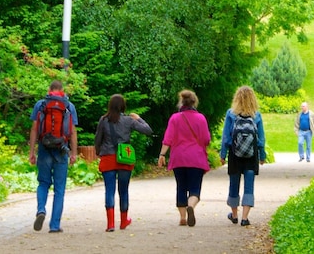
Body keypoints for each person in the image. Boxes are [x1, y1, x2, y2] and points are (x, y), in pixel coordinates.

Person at [94, 94, 153, 232]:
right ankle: (124, 221)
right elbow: (148, 130)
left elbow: (98, 139)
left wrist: (98, 152)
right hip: (124, 158)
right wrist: (138, 118)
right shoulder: (128, 120)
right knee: (123, 190)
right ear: (123, 106)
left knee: (109, 190)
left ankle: (110, 224)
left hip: (108, 158)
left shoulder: (103, 120)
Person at [28, 80, 78, 233]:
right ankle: (54, 225)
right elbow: (73, 132)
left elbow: (35, 129)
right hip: (61, 150)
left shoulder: (41, 105)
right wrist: (73, 153)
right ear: (62, 90)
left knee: (43, 183)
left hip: (44, 149)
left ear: (49, 89)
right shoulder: (69, 106)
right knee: (59, 189)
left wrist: (32, 151)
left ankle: (41, 209)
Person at [157, 89, 211, 227]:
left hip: (179, 158)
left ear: (182, 102)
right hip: (196, 159)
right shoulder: (201, 118)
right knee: (194, 188)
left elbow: (168, 138)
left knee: (181, 186)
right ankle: (191, 206)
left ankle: (182, 218)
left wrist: (162, 154)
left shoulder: (175, 118)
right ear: (194, 102)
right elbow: (206, 139)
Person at [219, 86, 267, 227]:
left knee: (234, 184)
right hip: (251, 156)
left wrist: (223, 155)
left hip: (235, 155)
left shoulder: (231, 114)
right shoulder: (256, 115)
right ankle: (245, 218)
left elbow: (226, 137)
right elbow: (261, 139)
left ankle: (234, 215)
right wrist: (262, 156)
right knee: (249, 186)